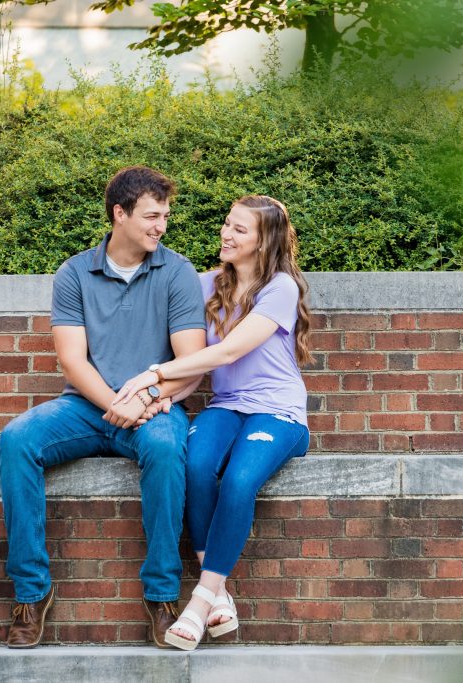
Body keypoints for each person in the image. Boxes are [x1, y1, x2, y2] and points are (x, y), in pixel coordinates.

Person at [0, 166, 206, 649]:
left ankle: (161, 595)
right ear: (120, 213)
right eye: (152, 216)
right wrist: (117, 404)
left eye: (165, 216)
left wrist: (147, 399)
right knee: (17, 440)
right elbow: (72, 360)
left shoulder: (176, 273)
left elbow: (190, 361)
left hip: (156, 407)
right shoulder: (75, 273)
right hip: (90, 407)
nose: (161, 226)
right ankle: (32, 592)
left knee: (167, 453)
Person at [113, 194, 312, 651]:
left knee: (239, 480)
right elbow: (194, 364)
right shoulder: (206, 285)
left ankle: (201, 601)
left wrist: (153, 374)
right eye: (227, 224)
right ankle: (220, 592)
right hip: (226, 405)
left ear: (265, 243)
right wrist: (156, 396)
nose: (226, 233)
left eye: (240, 230)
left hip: (277, 411)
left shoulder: (279, 287)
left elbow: (227, 351)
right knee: (196, 468)